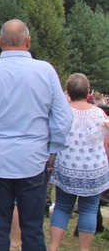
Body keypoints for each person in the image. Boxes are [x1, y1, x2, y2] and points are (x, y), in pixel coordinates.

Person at [0, 19, 72, 251]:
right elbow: (64, 118)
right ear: (28, 42)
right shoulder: (46, 71)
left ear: (0, 42)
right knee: (32, 229)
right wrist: (52, 149)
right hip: (33, 159)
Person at [48, 73, 109, 251]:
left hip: (68, 165)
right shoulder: (99, 113)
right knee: (89, 209)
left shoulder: (63, 113)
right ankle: (84, 249)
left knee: (62, 207)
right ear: (88, 91)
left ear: (68, 92)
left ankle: (53, 246)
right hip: (94, 169)